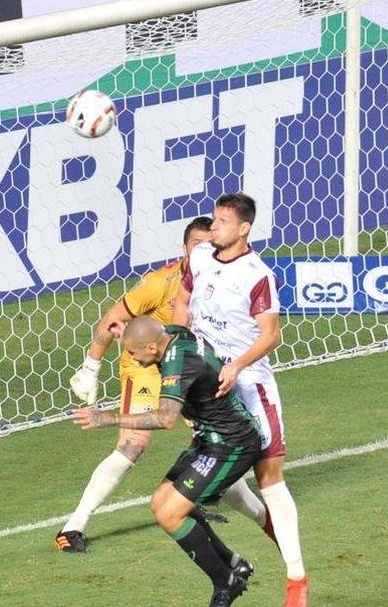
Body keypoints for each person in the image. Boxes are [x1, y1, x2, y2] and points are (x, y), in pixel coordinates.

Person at [58, 217, 271, 552]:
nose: (204, 251)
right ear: (184, 249)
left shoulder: (224, 278)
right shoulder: (160, 283)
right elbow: (113, 318)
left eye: (209, 245)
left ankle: (205, 500)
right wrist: (91, 366)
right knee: (134, 443)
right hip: (145, 361)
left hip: (188, 366)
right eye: (197, 246)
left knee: (213, 439)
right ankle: (74, 526)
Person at [173, 192, 308, 607]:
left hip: (249, 383)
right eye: (213, 219)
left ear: (244, 228)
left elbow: (271, 335)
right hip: (207, 381)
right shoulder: (198, 256)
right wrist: (181, 352)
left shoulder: (257, 275)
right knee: (224, 477)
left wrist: (238, 365)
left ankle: (296, 578)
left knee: (269, 478)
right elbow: (182, 302)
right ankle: (268, 528)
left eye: (223, 221)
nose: (214, 227)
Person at [71, 316, 259, 607]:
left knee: (171, 515)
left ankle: (225, 581)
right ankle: (233, 563)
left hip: (230, 443)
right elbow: (150, 332)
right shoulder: (171, 335)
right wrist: (125, 332)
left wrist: (109, 419)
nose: (131, 358)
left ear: (151, 347)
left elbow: (165, 418)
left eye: (133, 353)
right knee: (160, 502)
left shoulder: (178, 363)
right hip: (208, 438)